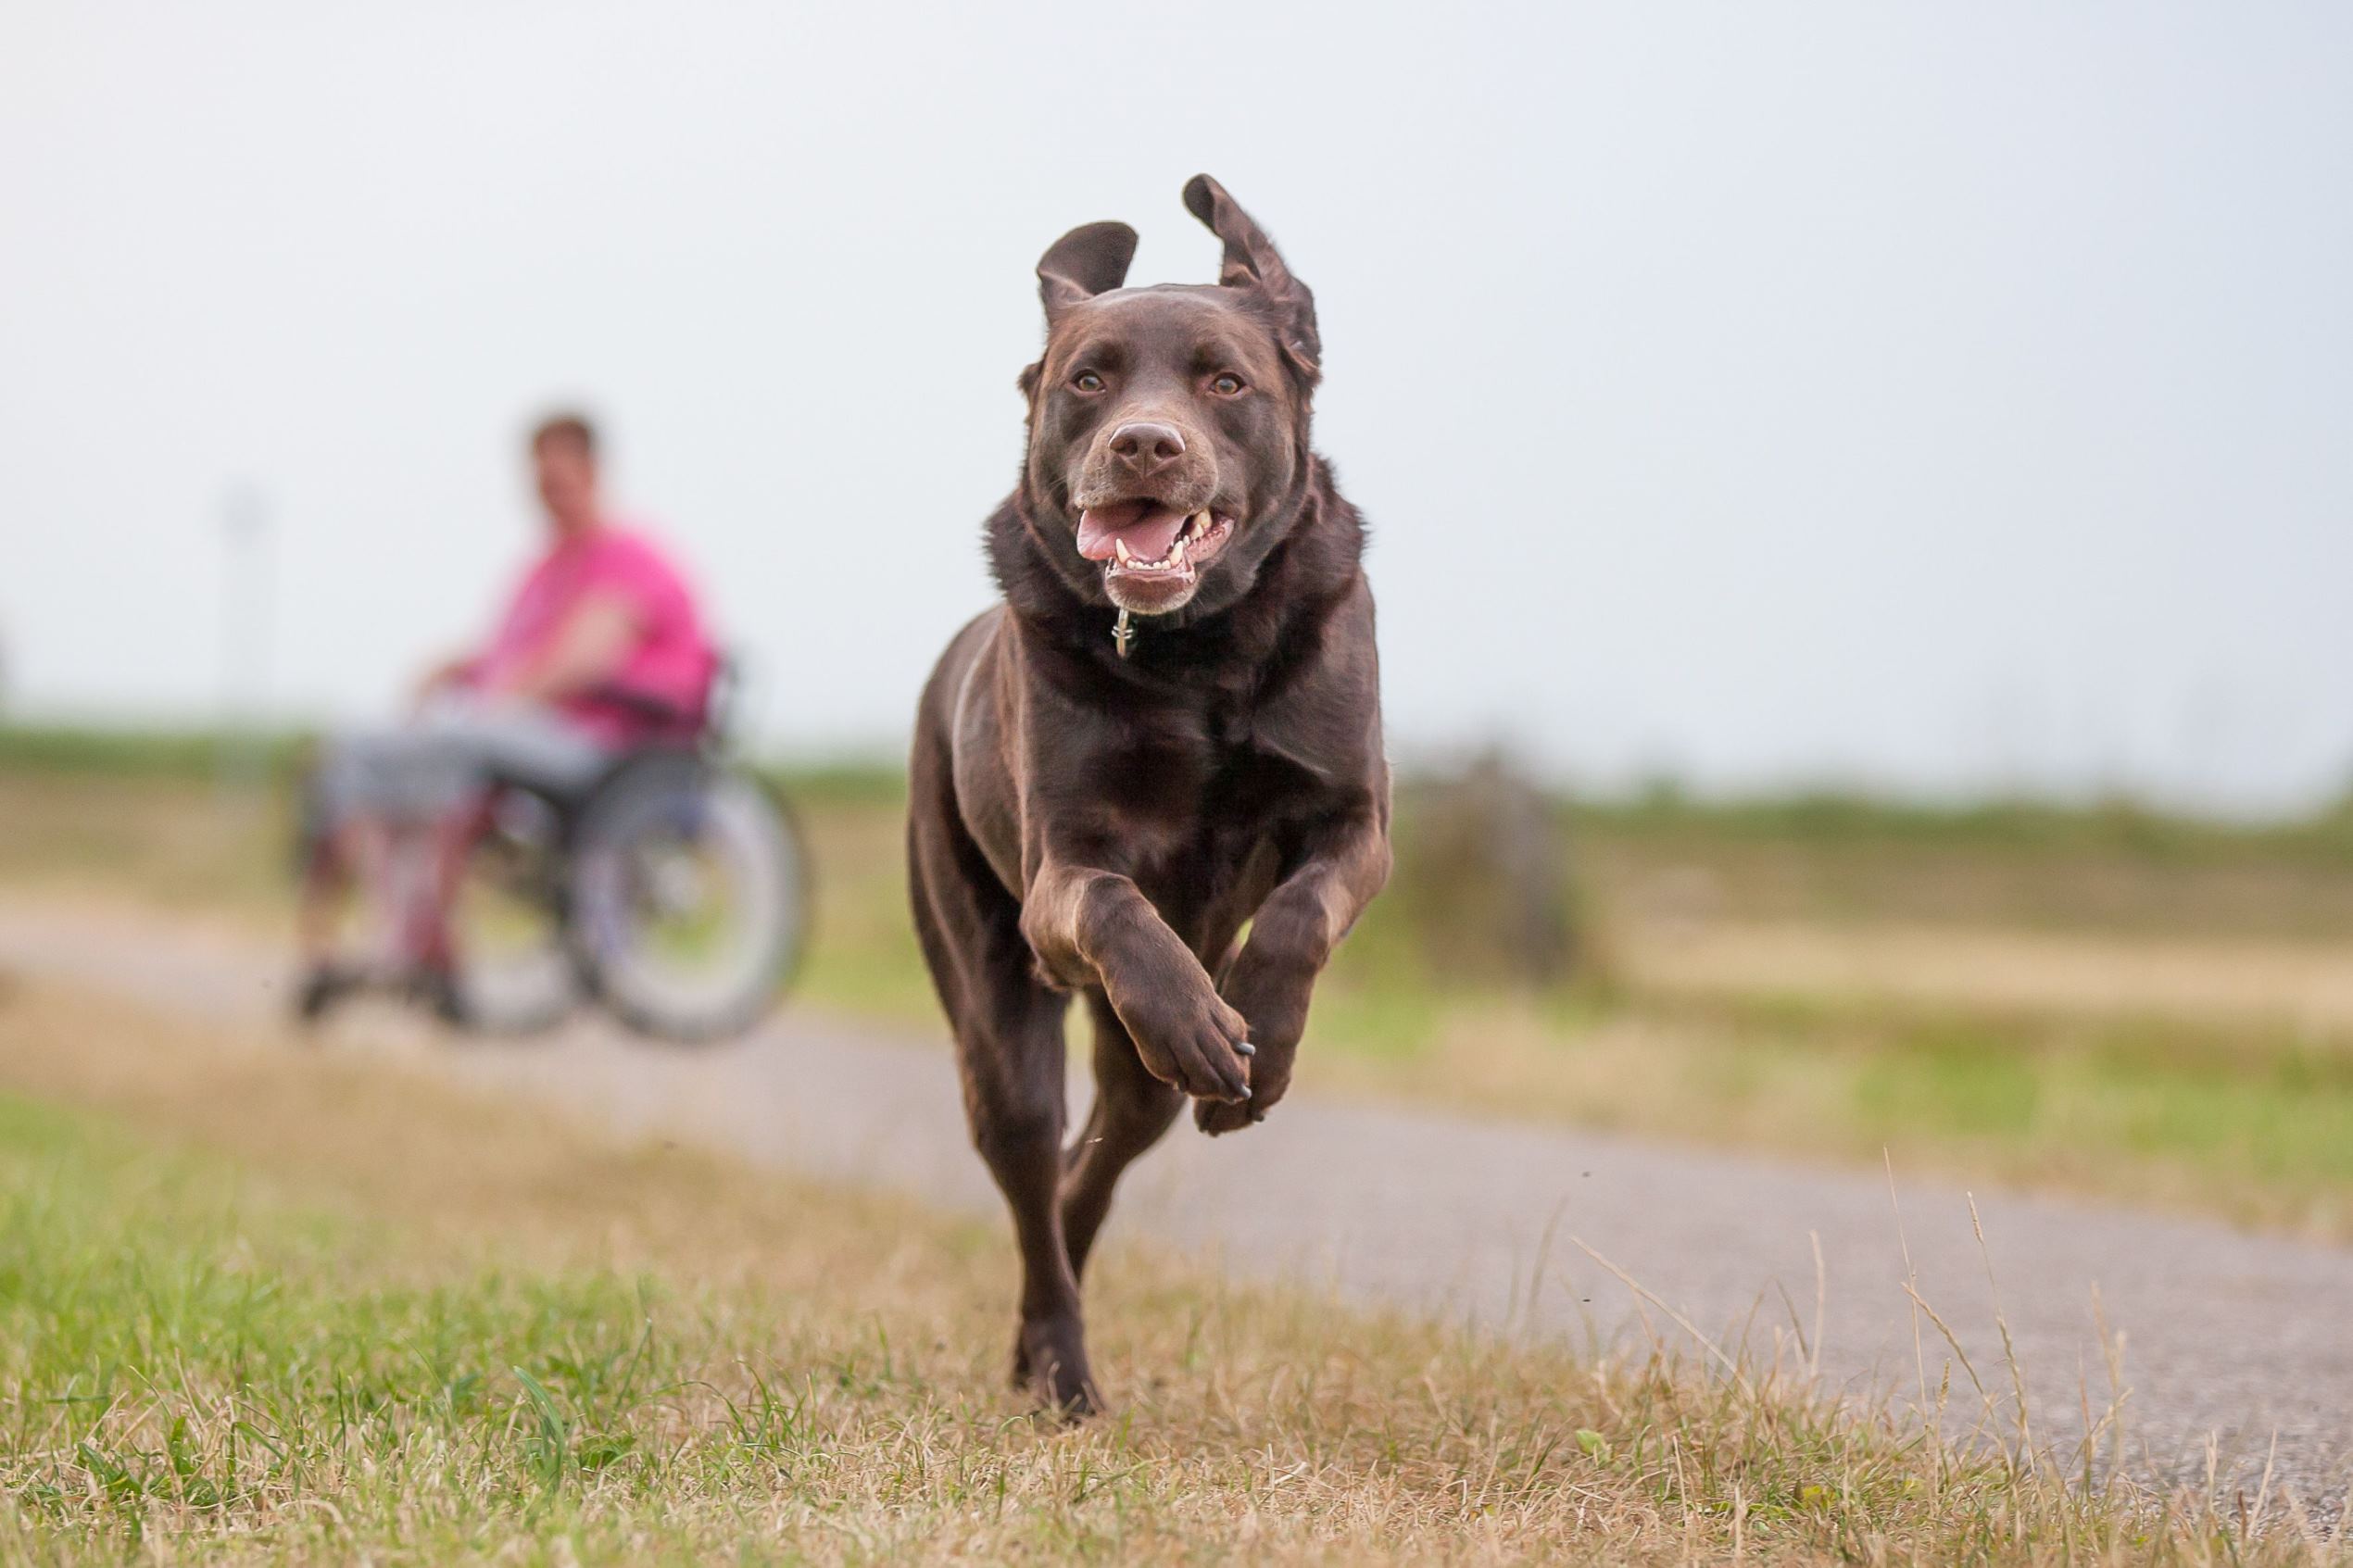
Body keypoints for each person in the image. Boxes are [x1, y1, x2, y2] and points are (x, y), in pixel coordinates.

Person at [296, 411, 718, 1022]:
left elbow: (582, 654)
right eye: (541, 479)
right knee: (360, 752)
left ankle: (426, 942)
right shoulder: (543, 569)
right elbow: (500, 655)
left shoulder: (631, 557)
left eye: (561, 476)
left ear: (594, 471)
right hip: (521, 732)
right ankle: (372, 939)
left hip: (608, 743)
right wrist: (445, 673)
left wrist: (492, 703)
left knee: (457, 742)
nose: (549, 492)